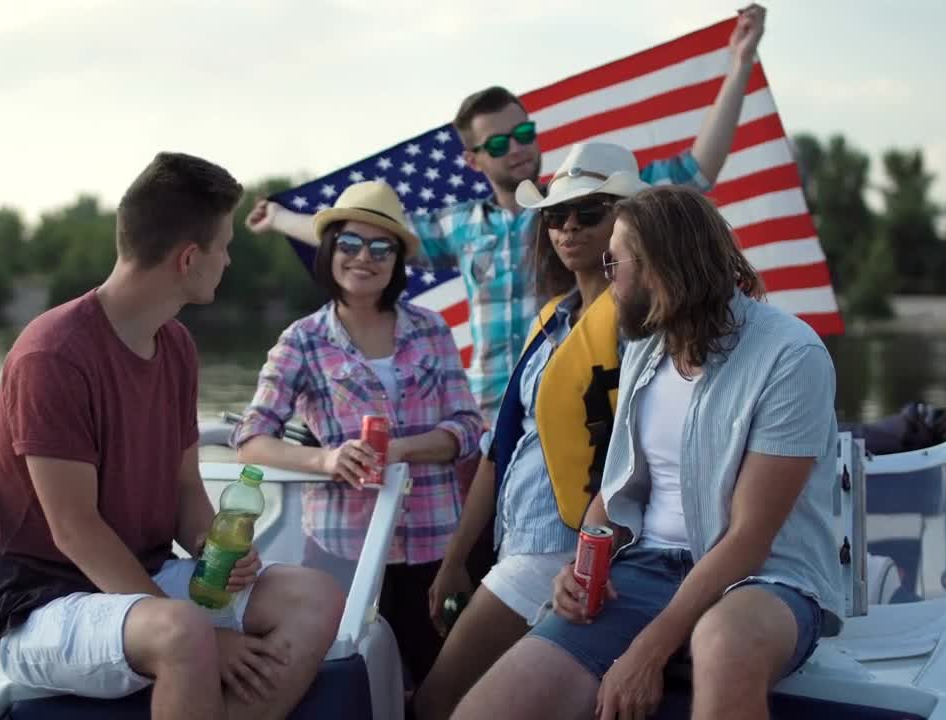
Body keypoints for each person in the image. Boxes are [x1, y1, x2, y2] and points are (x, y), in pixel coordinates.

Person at [245, 4, 767, 424]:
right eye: (498, 143)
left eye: (523, 133)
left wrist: (740, 61)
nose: (517, 149)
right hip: (490, 415)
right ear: (473, 160)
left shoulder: (585, 202)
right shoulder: (459, 226)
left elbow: (698, 171)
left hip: (580, 406)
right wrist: (280, 218)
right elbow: (361, 231)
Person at [0, 152, 345, 720]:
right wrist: (205, 637)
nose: (228, 260)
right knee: (184, 632)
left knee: (314, 597)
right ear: (189, 259)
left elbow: (185, 495)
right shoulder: (52, 356)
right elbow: (74, 532)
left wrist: (214, 550)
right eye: (223, 246)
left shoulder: (176, 348)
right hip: (41, 602)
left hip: (142, 576)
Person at [453, 185, 842, 720]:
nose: (605, 272)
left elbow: (751, 537)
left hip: (766, 580)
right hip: (644, 567)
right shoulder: (644, 346)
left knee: (723, 642)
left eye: (615, 259)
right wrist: (582, 565)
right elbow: (618, 489)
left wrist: (647, 650)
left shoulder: (791, 355)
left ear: (660, 263)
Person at [415, 141, 652, 720]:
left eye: (588, 213)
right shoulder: (551, 320)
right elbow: (501, 451)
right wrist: (456, 558)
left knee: (436, 701)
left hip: (564, 552)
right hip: (516, 545)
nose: (568, 227)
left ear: (625, 222)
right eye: (555, 216)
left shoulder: (641, 327)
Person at [231, 180, 482, 693]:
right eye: (349, 244)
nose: (363, 257)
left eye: (379, 247)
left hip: (434, 546)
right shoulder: (302, 340)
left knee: (440, 683)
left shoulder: (432, 328)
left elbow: (468, 428)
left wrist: (401, 451)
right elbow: (251, 439)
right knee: (347, 681)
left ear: (395, 260)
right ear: (329, 253)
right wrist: (327, 460)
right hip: (343, 549)